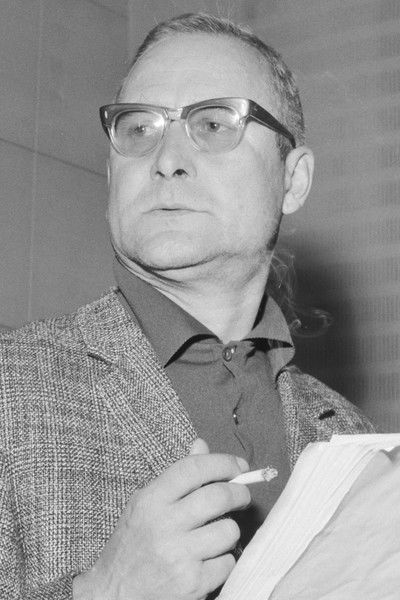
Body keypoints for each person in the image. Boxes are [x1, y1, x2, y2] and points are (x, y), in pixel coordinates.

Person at [0, 12, 374, 600]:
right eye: (139, 128)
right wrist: (103, 592)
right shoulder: (11, 386)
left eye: (214, 123)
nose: (166, 157)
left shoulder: (356, 442)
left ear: (293, 179)